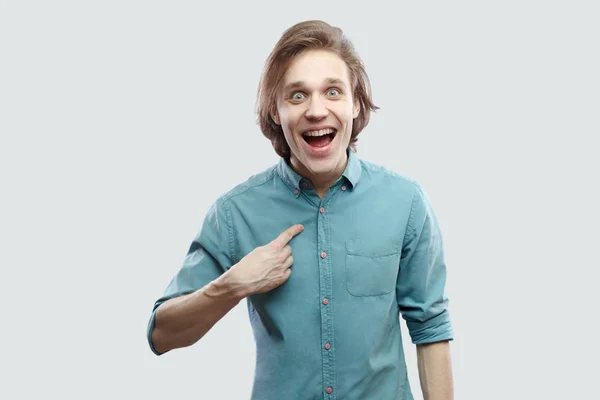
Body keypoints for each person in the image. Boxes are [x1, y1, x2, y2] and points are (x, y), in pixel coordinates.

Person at [146, 20, 454, 400]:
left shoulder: (405, 202)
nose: (316, 110)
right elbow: (161, 334)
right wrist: (232, 285)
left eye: (333, 91)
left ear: (355, 104)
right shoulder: (234, 213)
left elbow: (431, 329)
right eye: (297, 96)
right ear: (275, 111)